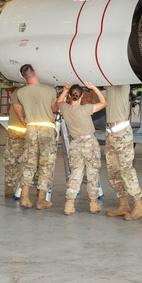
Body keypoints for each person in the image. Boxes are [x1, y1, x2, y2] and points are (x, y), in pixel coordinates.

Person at [12, 64, 59, 209]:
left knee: (29, 163)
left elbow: (21, 113)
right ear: (35, 72)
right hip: (47, 129)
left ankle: (24, 197)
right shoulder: (49, 90)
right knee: (46, 164)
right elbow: (54, 109)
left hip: (31, 128)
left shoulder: (21, 92)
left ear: (23, 78)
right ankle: (41, 200)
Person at [56, 82, 106, 215]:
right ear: (82, 95)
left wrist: (65, 90)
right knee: (92, 174)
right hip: (90, 144)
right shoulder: (86, 109)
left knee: (75, 174)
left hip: (75, 144)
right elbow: (104, 103)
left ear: (70, 96)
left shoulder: (65, 108)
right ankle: (93, 204)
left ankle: (69, 204)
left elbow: (58, 102)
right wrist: (94, 88)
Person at [103, 84, 142, 220]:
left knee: (126, 170)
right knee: (113, 171)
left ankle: (138, 206)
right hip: (110, 133)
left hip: (122, 133)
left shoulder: (123, 83)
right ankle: (123, 205)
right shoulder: (108, 84)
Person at [2, 91, 26, 198]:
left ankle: (27, 187)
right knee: (12, 161)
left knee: (33, 162)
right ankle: (9, 186)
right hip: (17, 132)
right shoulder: (18, 92)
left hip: (31, 132)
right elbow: (19, 112)